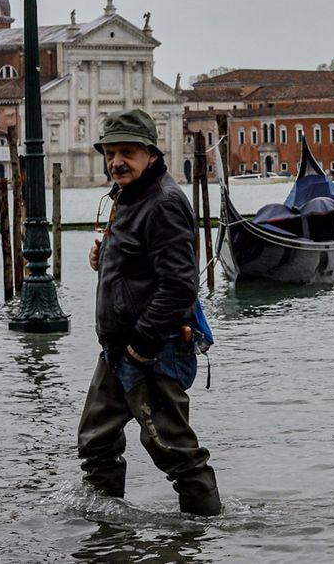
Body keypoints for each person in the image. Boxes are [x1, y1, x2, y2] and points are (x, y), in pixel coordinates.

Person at [78, 109, 222, 516]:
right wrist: (105, 257)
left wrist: (142, 344)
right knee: (96, 441)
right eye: (109, 153)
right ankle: (105, 533)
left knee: (173, 448)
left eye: (126, 152)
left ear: (151, 155)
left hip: (150, 348)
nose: (115, 162)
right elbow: (144, 266)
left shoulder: (162, 202)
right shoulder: (130, 195)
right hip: (119, 346)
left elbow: (179, 284)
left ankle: (202, 535)